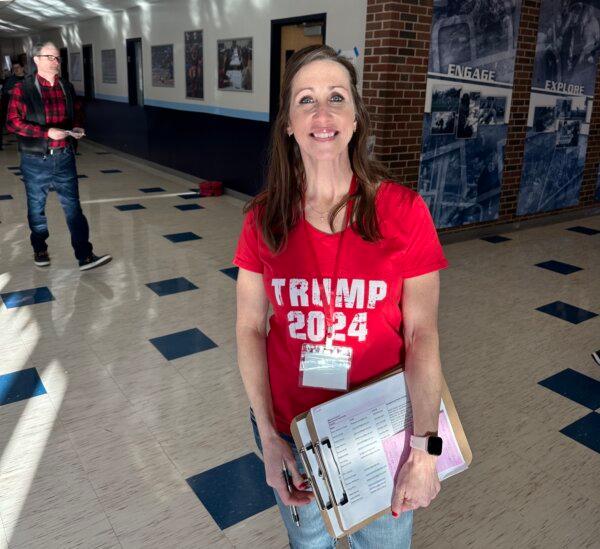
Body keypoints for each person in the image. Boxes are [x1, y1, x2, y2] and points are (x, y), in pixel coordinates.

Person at [234, 45, 449, 548]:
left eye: (336, 97)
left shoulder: (404, 211)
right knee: (310, 544)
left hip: (382, 432)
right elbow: (249, 328)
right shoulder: (262, 218)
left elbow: (421, 335)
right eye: (306, 100)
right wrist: (267, 437)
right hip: (295, 431)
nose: (323, 113)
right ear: (288, 122)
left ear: (356, 117)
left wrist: (425, 448)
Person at [6, 42, 111, 271]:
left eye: (57, 58)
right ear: (36, 60)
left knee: (74, 208)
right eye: (50, 57)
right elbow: (13, 122)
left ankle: (85, 256)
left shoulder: (66, 86)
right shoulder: (22, 89)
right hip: (35, 160)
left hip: (64, 156)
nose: (55, 61)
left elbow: (77, 113)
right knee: (36, 207)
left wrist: (77, 128)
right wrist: (46, 133)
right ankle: (40, 249)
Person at [0, 61, 25, 150]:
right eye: (14, 68)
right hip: (14, 107)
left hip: (26, 107)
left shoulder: (29, 79)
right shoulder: (10, 80)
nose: (16, 70)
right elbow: (5, 91)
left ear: (22, 68)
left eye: (17, 67)